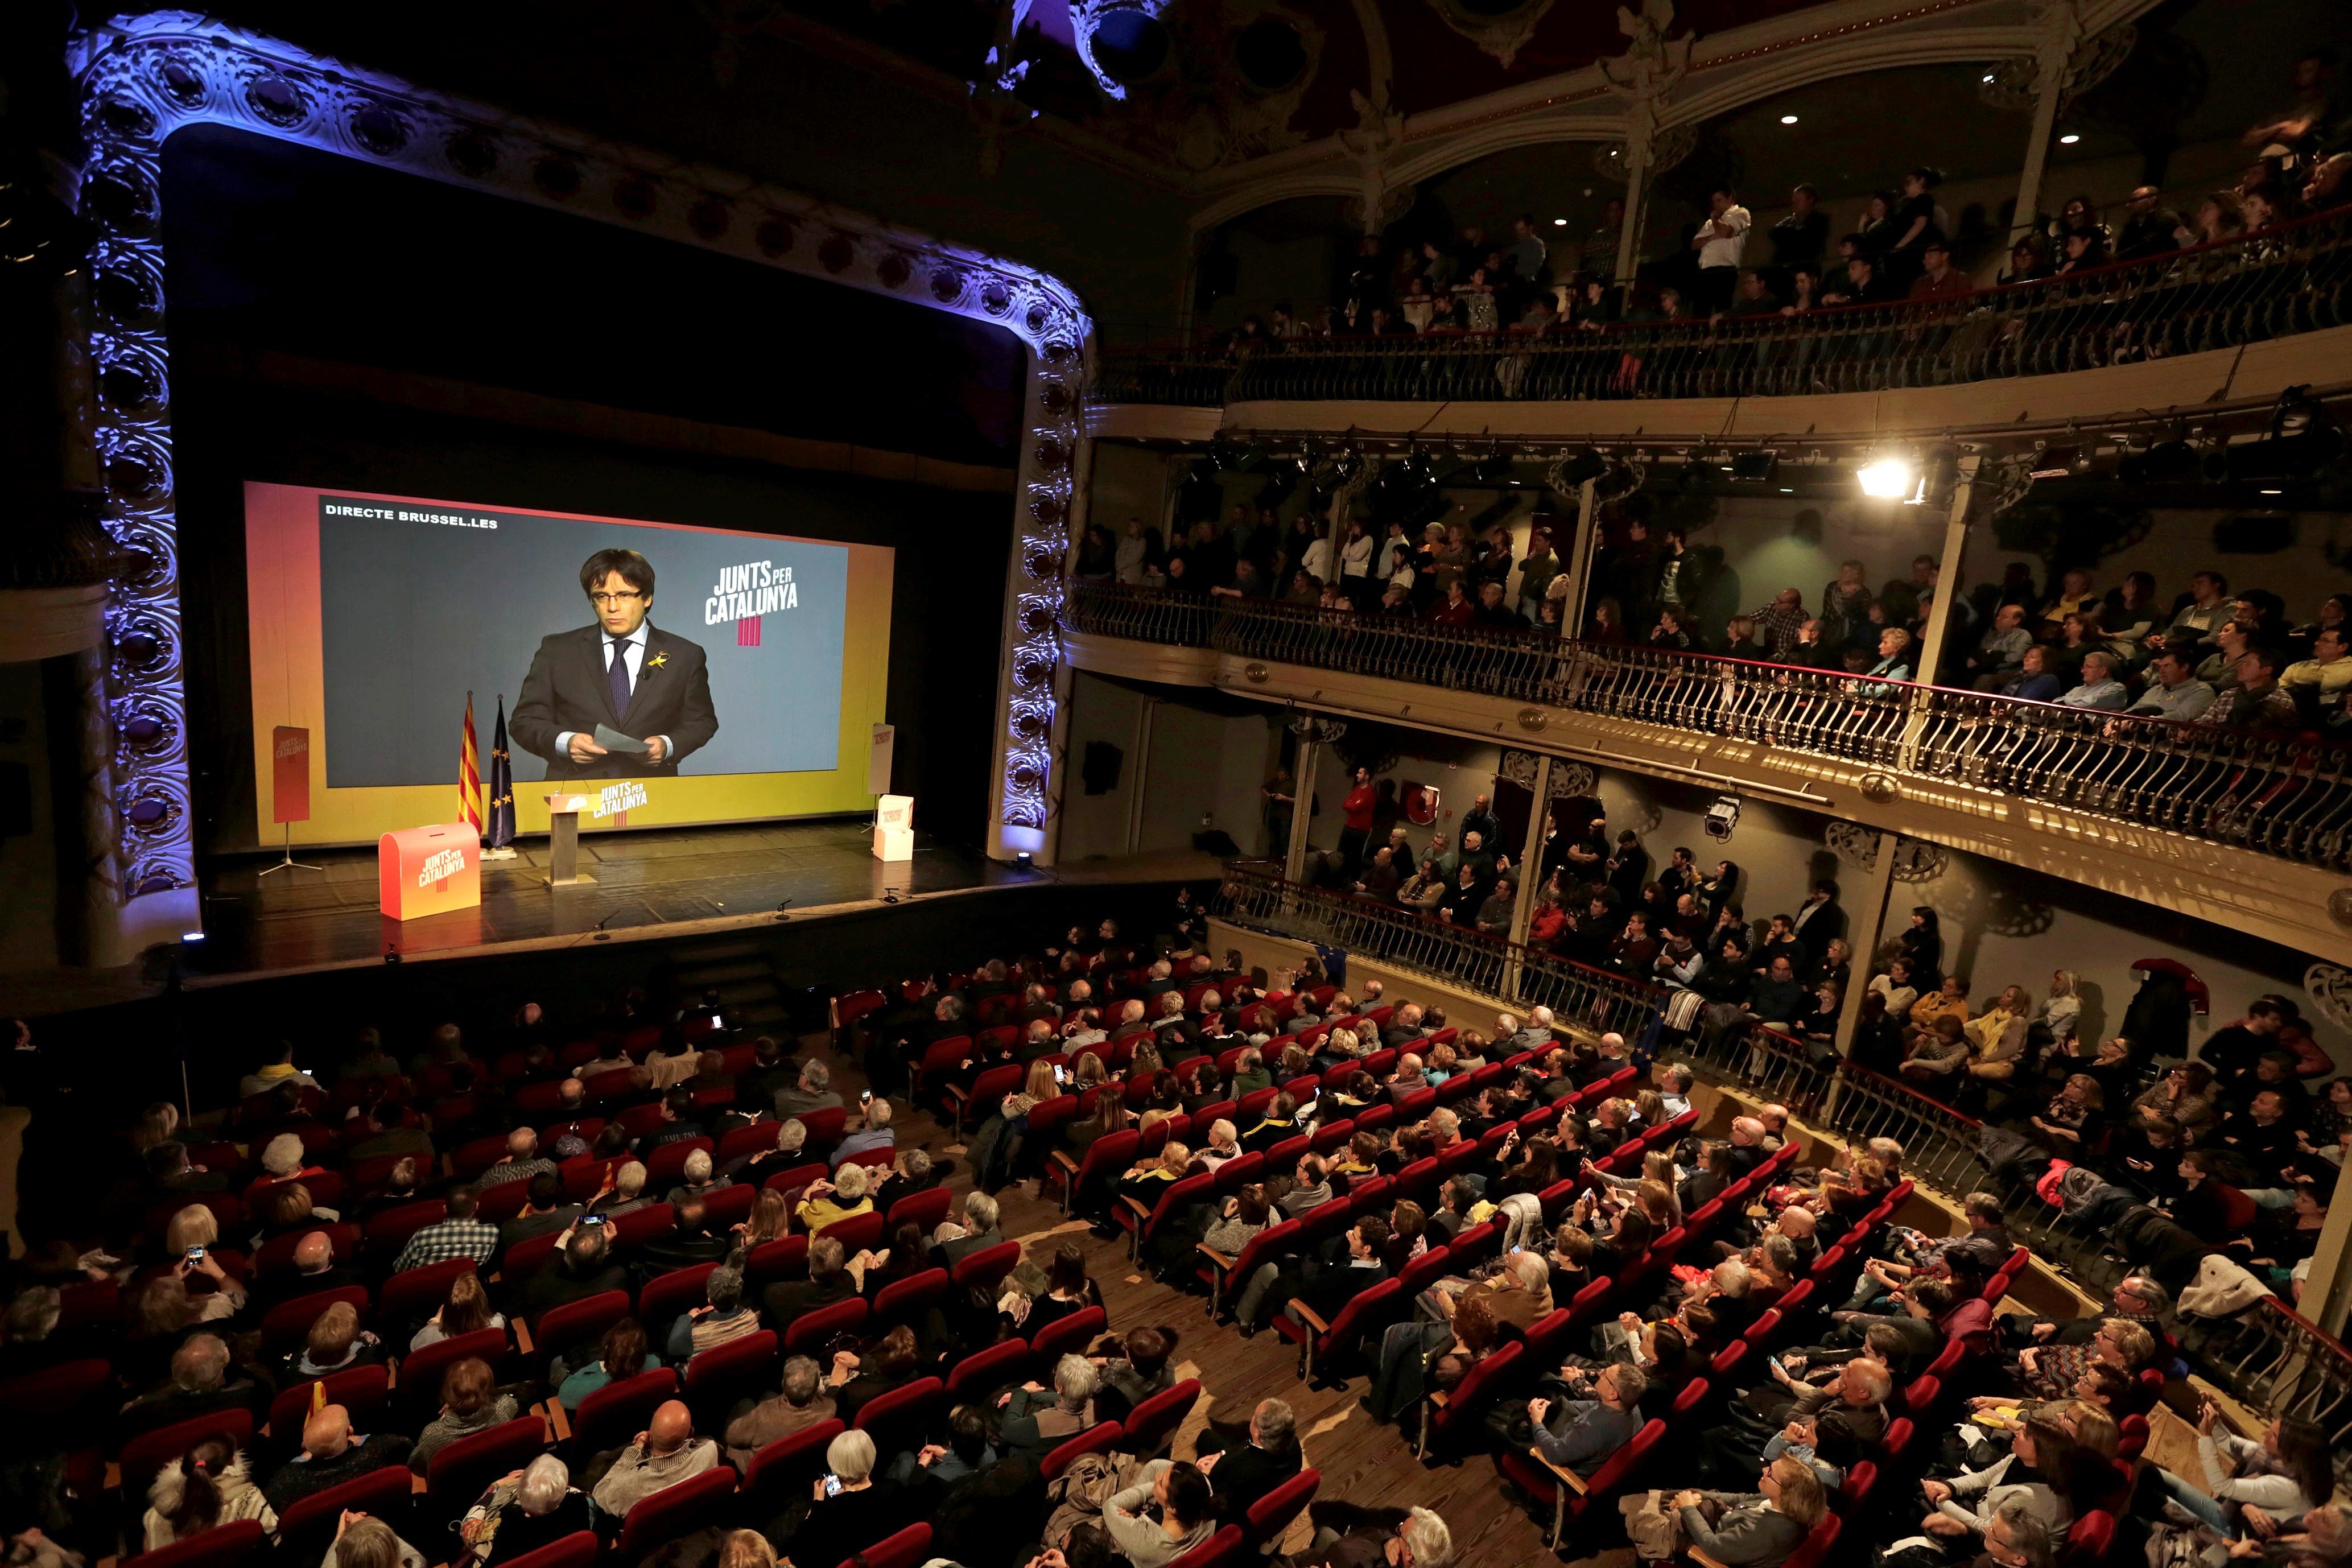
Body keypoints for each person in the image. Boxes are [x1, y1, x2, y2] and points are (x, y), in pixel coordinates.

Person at [512, 547, 719, 777]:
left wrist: (667, 745)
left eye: (624, 595)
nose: (612, 607)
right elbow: (524, 721)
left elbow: (702, 722)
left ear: (647, 598)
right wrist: (566, 742)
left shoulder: (685, 655)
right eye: (602, 597)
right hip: (576, 795)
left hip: (653, 796)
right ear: (592, 601)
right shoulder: (557, 651)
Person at [1671, 1456, 1828, 1568]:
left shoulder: (1765, 1533)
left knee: (1651, 1517)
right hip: (1720, 1522)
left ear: (1786, 1494)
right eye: (1771, 1466)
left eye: (1771, 1473)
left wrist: (1688, 1508)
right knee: (1678, 1498)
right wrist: (1701, 1495)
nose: (1764, 1469)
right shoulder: (1784, 1505)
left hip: (1706, 1546)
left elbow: (1713, 1546)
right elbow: (1742, 1498)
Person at [262, 1404, 412, 1513]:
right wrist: (361, 1440)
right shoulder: (379, 1449)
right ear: (350, 1431)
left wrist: (300, 1460)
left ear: (304, 1446)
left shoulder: (287, 1479)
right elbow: (406, 1445)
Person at [785, 1429, 903, 1568]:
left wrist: (816, 1506)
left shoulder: (828, 1512)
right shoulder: (894, 1491)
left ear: (836, 1467)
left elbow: (797, 1556)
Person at [142, 1434, 278, 1551]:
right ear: (233, 1462)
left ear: (182, 1467)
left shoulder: (155, 1518)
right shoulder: (252, 1501)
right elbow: (276, 1540)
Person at [457, 1453, 595, 1566]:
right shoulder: (585, 1506)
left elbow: (467, 1525)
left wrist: (495, 1486)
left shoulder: (501, 1530)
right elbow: (576, 1493)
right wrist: (544, 1482)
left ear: (521, 1494)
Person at [591, 1398, 719, 1518]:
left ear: (650, 1438)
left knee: (600, 1459)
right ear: (691, 1433)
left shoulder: (626, 1488)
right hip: (692, 1519)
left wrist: (636, 1449)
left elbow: (598, 1496)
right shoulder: (710, 1451)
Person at [411, 1357, 521, 1472]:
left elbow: (416, 1465)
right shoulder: (505, 1406)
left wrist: (443, 1420)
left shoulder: (433, 1434)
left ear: (447, 1393)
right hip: (500, 1475)